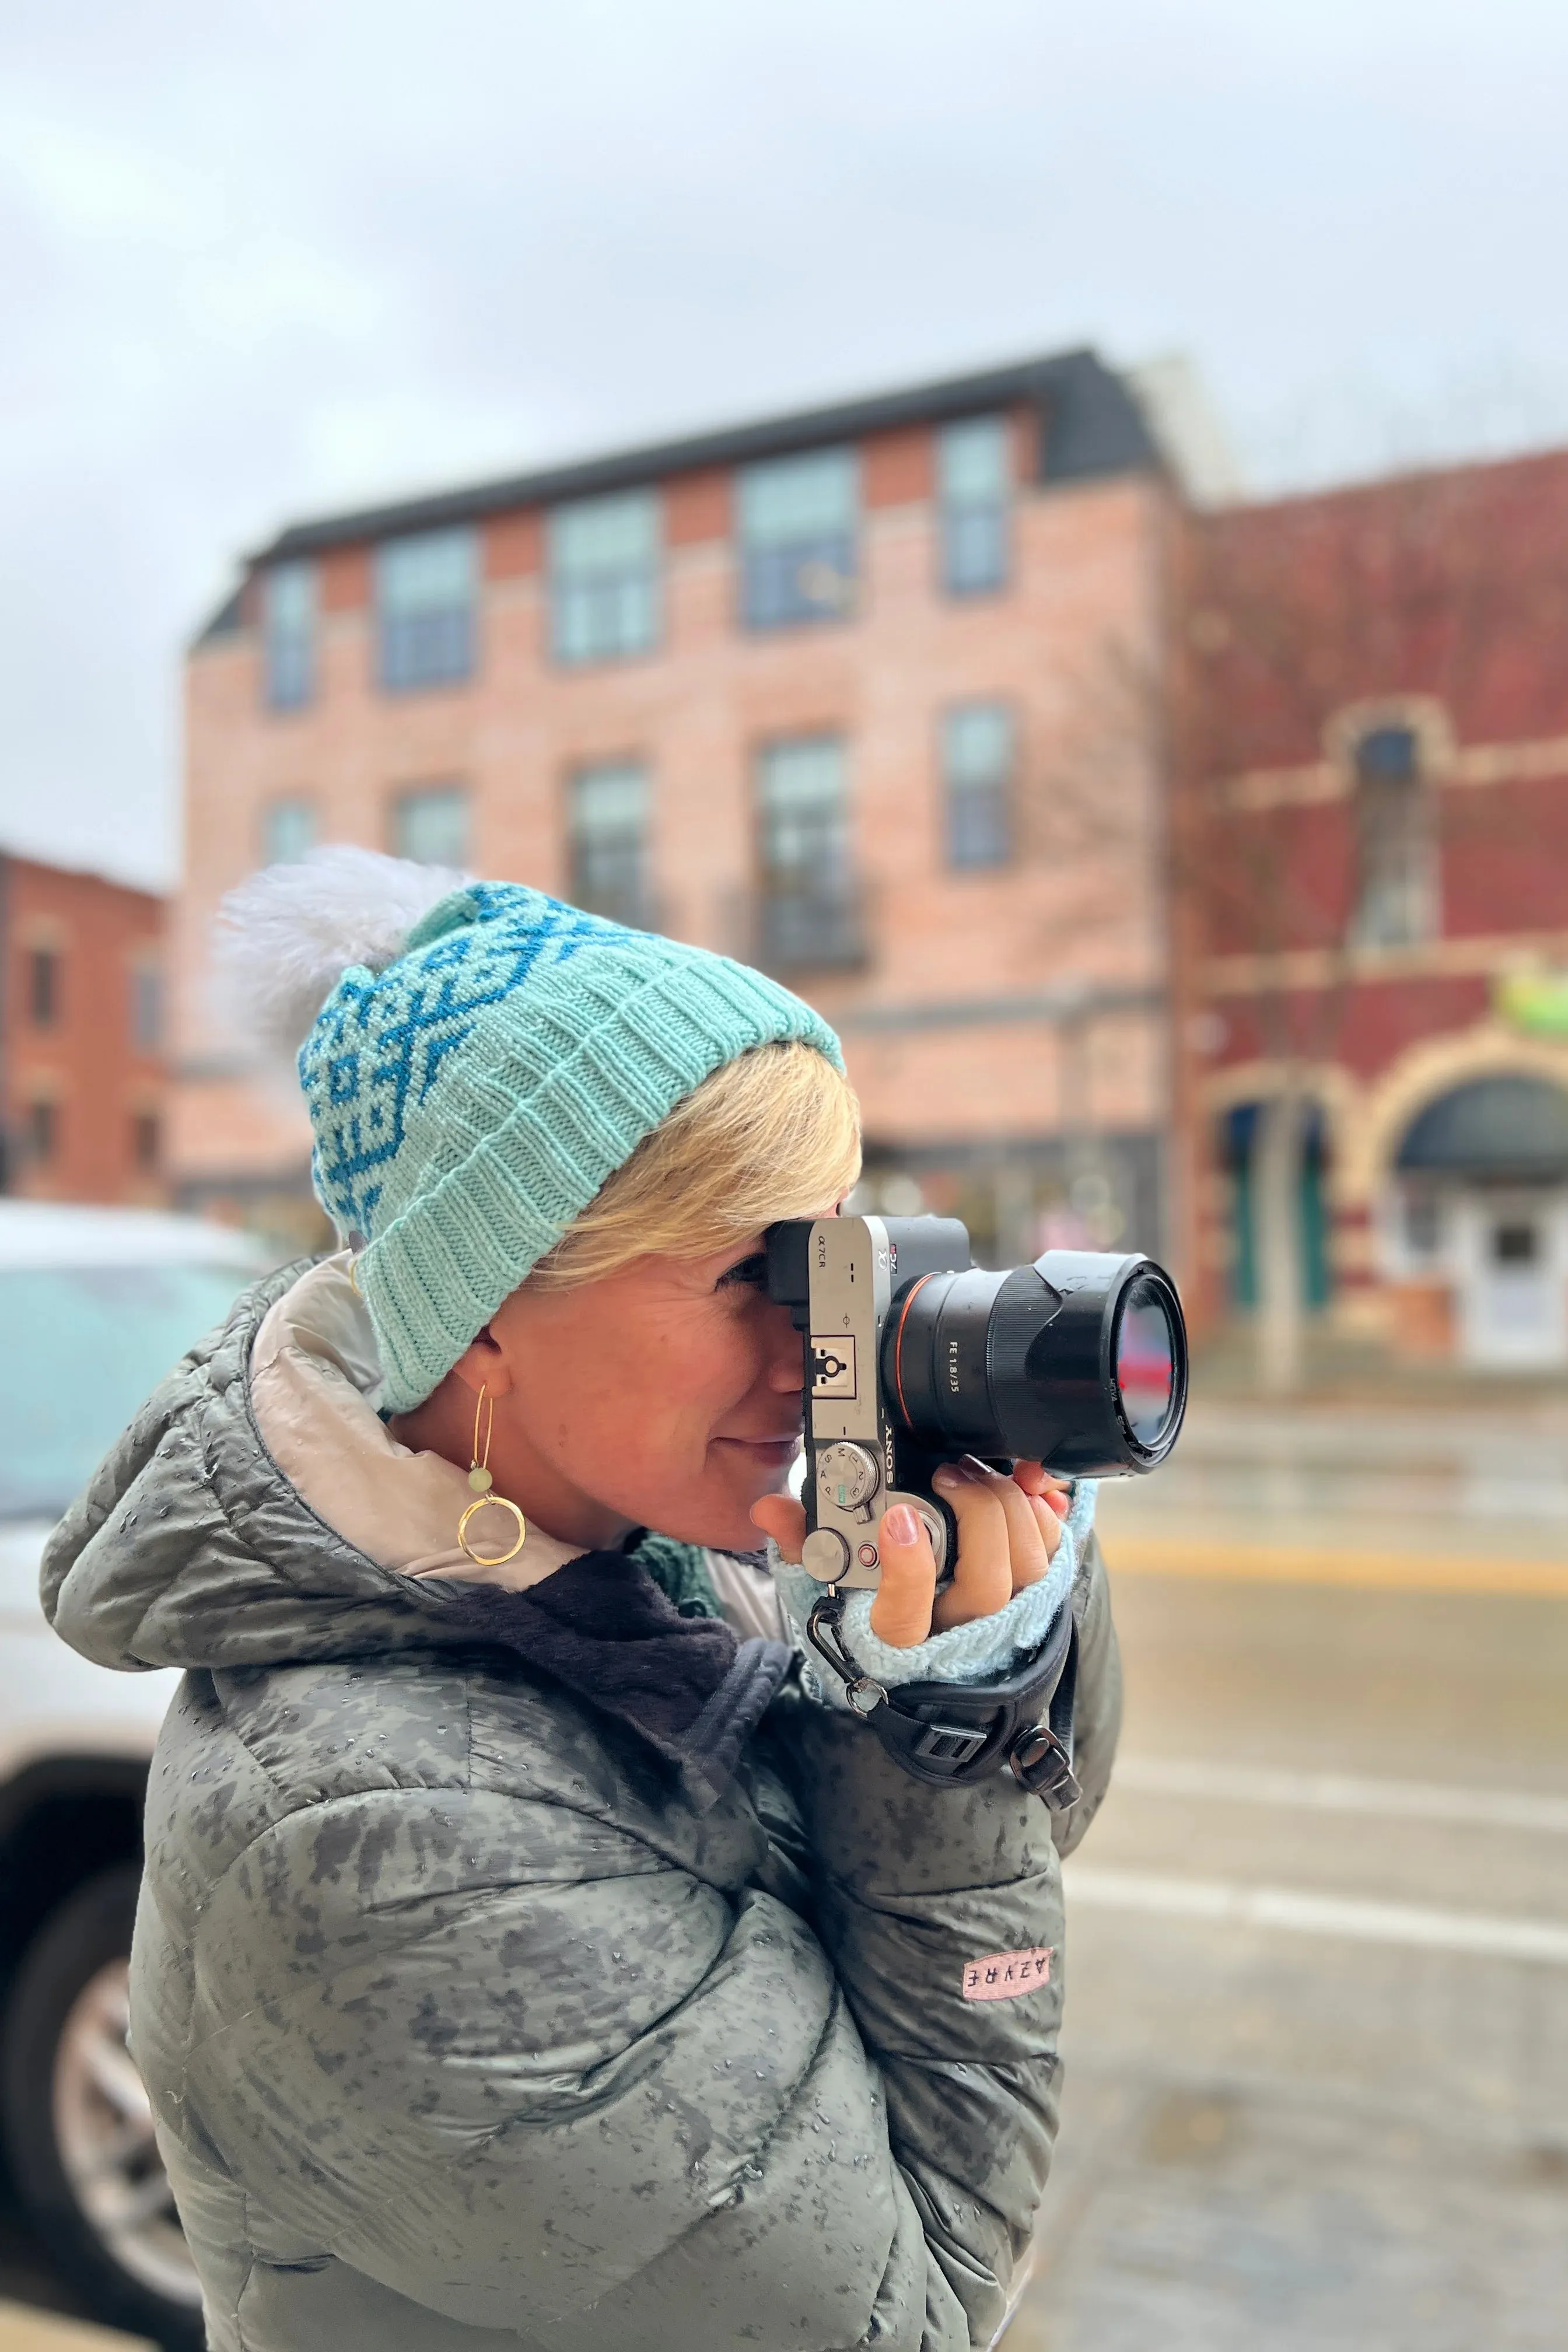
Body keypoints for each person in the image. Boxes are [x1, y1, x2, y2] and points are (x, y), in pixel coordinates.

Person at [43, 850, 1121, 2352]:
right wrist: (930, 1744)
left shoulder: (668, 1537)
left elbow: (1030, 1820)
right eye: (755, 1268)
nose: (821, 1337)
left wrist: (978, 1643)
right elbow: (918, 2308)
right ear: (481, 1312)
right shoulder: (358, 1838)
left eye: (833, 1257)